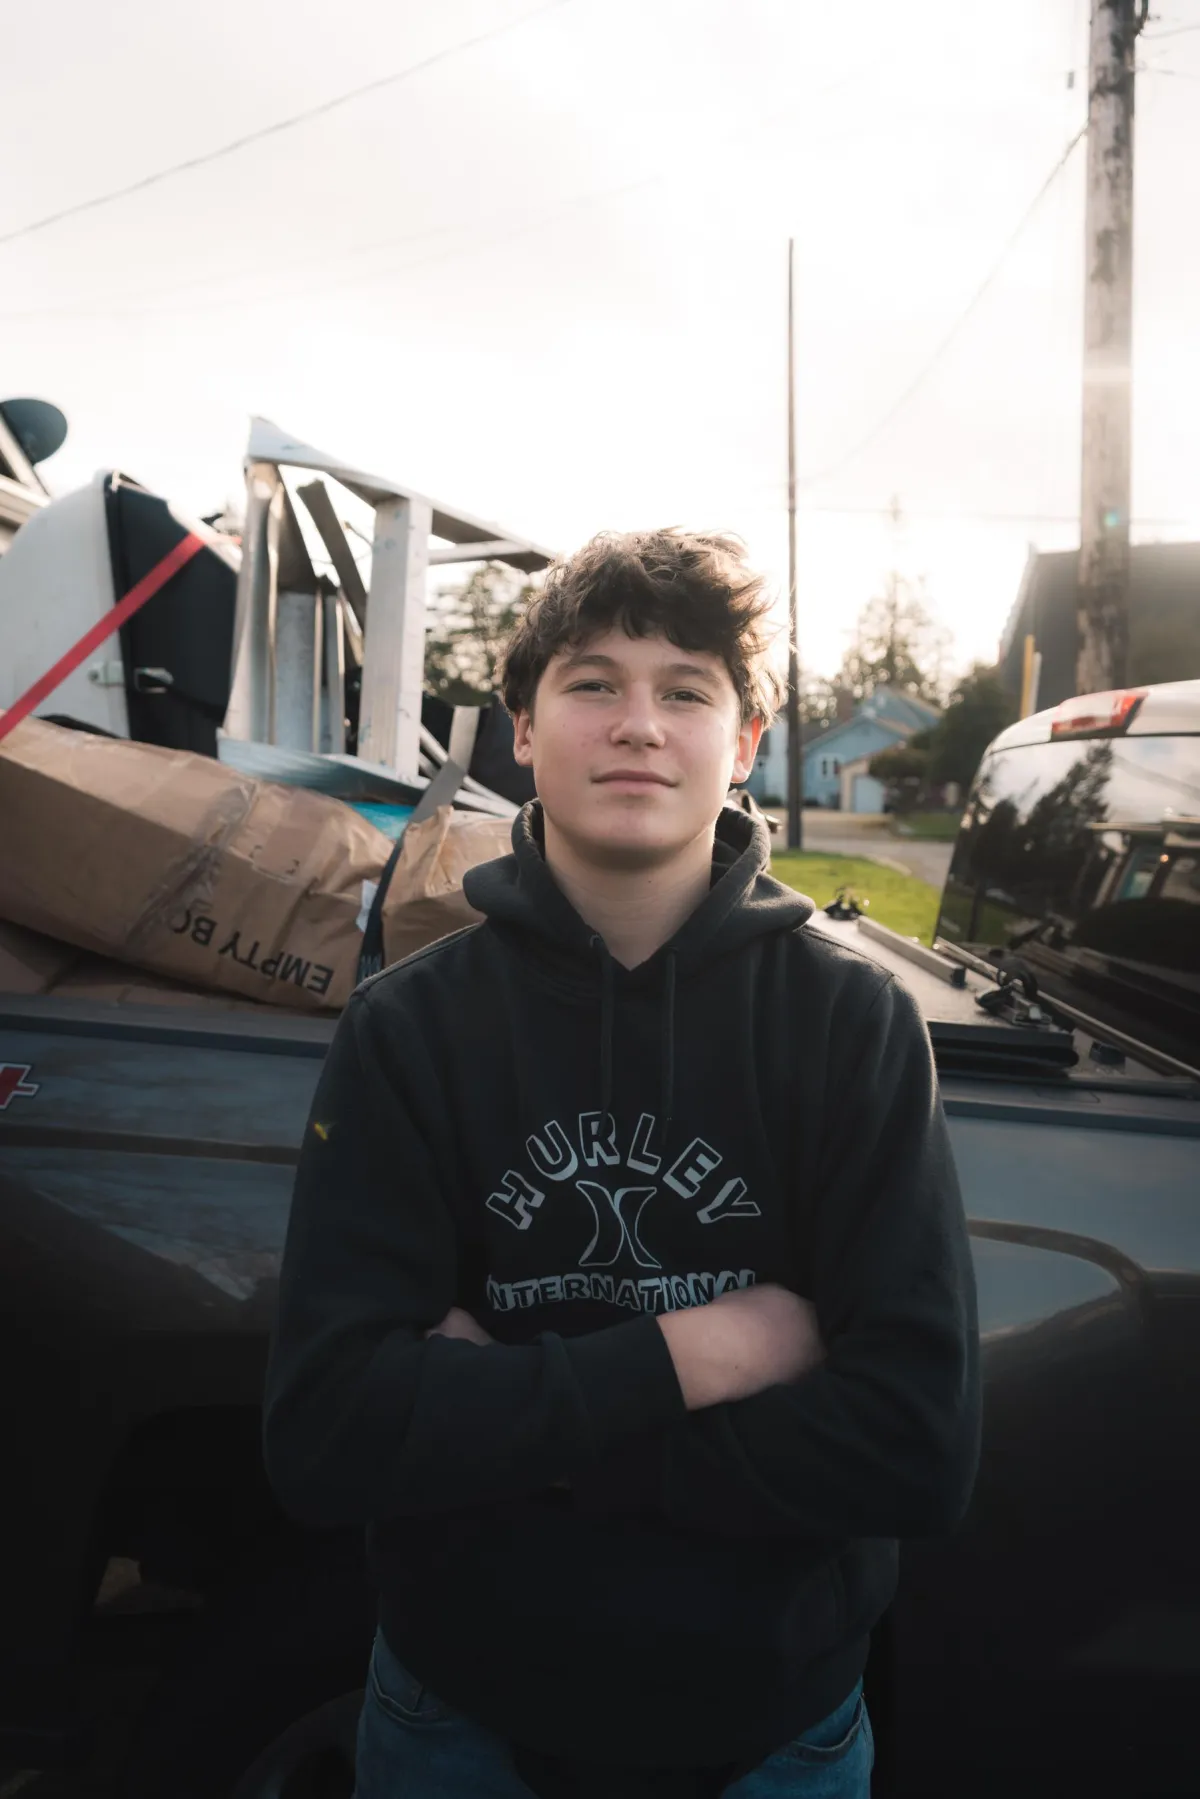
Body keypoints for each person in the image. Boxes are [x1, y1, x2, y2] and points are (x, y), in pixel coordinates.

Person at [262, 529, 981, 1799]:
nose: (638, 723)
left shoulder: (851, 1027)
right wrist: (699, 1355)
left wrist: (503, 1426)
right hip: (461, 1713)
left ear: (744, 740)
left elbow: (913, 1445)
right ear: (523, 729)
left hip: (776, 1729)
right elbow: (328, 1431)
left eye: (685, 690)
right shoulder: (412, 1029)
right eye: (591, 682)